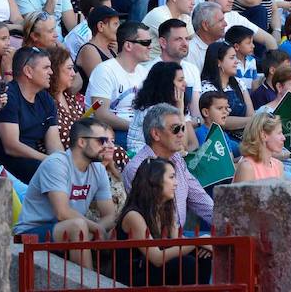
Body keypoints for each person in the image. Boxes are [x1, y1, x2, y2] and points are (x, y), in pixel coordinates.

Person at [13, 118, 116, 269]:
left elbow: (110, 215)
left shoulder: (98, 169)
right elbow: (62, 213)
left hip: (65, 231)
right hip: (32, 233)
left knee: (116, 229)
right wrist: (96, 229)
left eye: (109, 141)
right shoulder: (56, 163)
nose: (107, 146)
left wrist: (97, 229)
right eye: (101, 141)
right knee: (78, 226)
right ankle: (88, 286)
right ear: (81, 142)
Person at [116, 158, 212, 286]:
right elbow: (156, 258)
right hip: (133, 274)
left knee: (202, 256)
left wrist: (201, 245)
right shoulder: (134, 216)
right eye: (171, 177)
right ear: (155, 181)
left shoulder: (166, 210)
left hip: (151, 269)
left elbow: (176, 241)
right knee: (186, 263)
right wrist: (199, 241)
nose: (176, 183)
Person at [0, 46, 63, 183]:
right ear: (28, 71)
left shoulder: (45, 98)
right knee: (50, 175)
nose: (51, 72)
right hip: (1, 164)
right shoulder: (7, 96)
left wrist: (63, 163)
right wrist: (48, 160)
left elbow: (54, 142)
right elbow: (11, 147)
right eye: (46, 68)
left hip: (29, 161)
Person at [84, 21, 150, 146]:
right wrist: (136, 128)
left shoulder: (143, 72)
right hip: (108, 132)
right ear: (128, 46)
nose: (150, 47)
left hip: (135, 131)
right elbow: (101, 114)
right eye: (145, 43)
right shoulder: (105, 70)